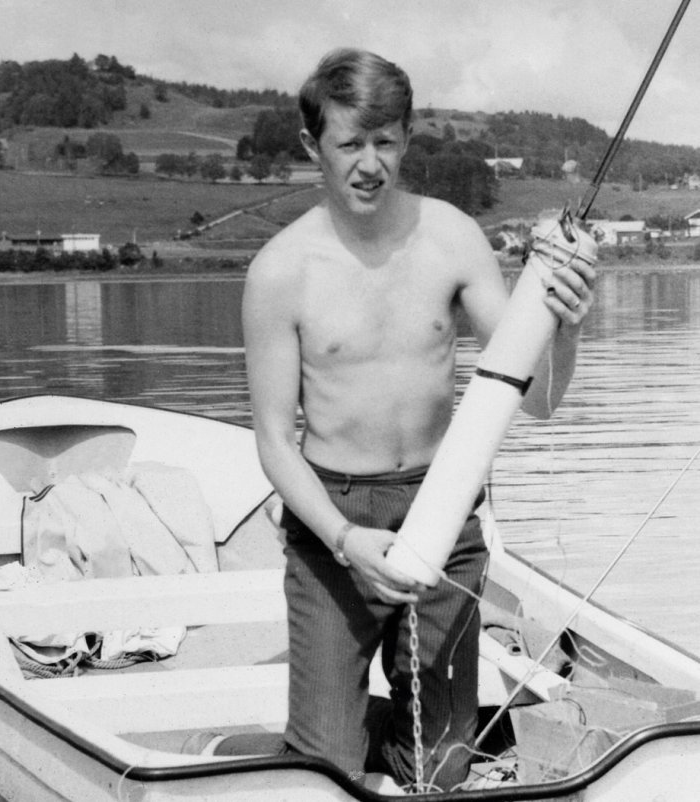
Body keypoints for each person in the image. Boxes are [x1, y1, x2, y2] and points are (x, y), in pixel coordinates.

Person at [198, 48, 595, 791]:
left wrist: (566, 327)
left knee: (440, 773)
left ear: (408, 138)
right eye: (350, 143)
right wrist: (346, 540)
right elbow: (274, 443)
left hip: (444, 514)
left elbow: (538, 399)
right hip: (332, 525)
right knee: (324, 773)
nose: (370, 164)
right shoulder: (279, 271)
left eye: (385, 141)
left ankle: (392, 735)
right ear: (312, 145)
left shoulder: (453, 238)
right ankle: (322, 736)